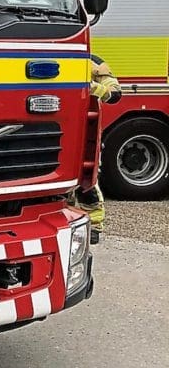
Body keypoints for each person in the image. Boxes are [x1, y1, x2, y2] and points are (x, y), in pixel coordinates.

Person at [72, 53, 122, 242]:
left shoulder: (93, 62)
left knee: (87, 182)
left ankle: (94, 226)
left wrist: (91, 88)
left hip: (86, 129)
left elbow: (115, 94)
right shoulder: (59, 57)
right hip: (62, 128)